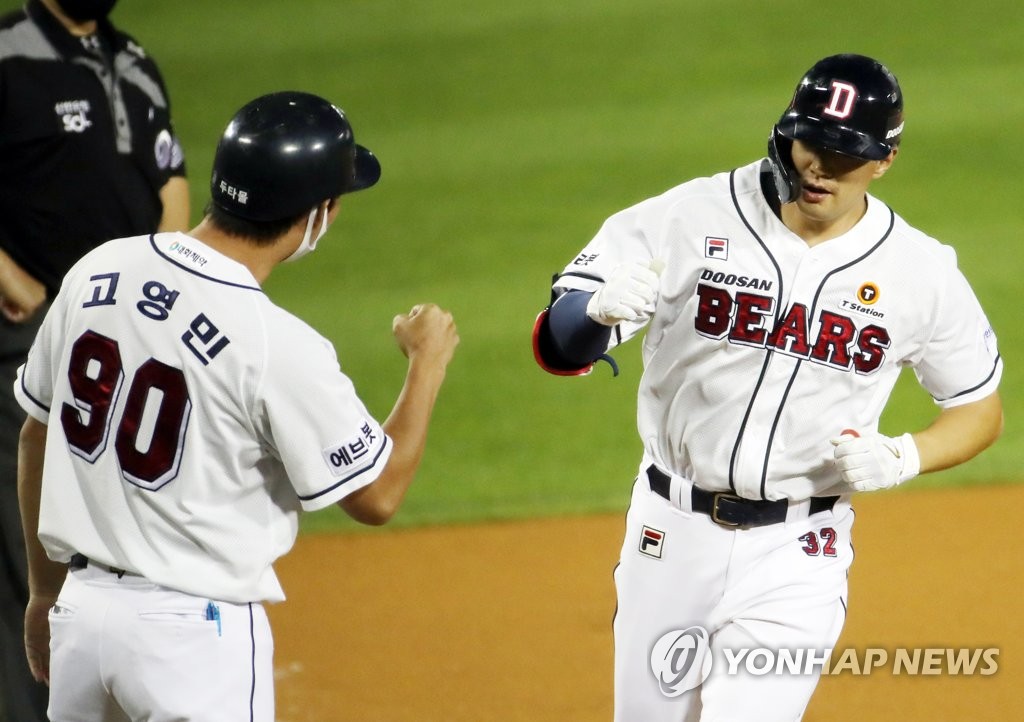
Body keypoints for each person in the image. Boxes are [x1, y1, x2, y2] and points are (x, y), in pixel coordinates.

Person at [532, 53, 1003, 720]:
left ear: (885, 160)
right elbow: (557, 347)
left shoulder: (921, 272)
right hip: (669, 532)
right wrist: (594, 311)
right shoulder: (688, 216)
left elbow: (978, 410)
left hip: (798, 554)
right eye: (812, 141)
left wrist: (905, 456)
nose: (821, 166)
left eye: (846, 152)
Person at [15, 90, 459, 722]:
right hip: (191, 641)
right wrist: (427, 365)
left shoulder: (98, 270)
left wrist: (42, 593)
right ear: (317, 214)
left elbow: (36, 433)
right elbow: (378, 495)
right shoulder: (276, 343)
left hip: (82, 616)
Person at [0, 1, 188, 719]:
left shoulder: (132, 60)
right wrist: (10, 276)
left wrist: (161, 286)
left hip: (125, 353)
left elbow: (169, 179)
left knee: (124, 541)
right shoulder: (8, 55)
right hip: (29, 343)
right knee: (31, 552)